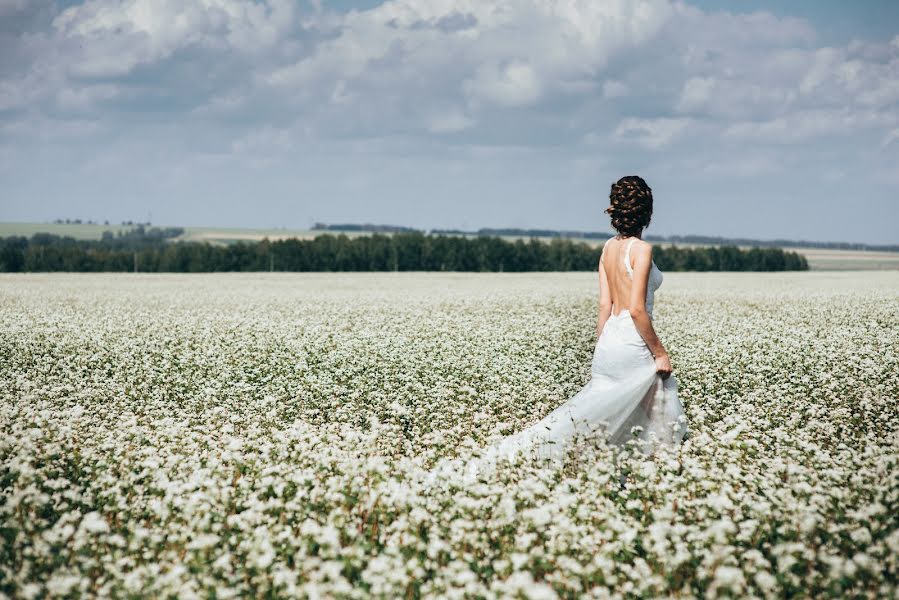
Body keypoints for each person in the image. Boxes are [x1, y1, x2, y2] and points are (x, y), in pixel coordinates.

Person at [472, 175, 690, 472]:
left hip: (609, 341)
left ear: (616, 211)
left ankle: (596, 467)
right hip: (632, 342)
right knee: (662, 413)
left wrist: (601, 346)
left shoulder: (607, 249)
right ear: (646, 213)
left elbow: (605, 305)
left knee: (604, 414)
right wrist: (660, 352)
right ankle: (665, 473)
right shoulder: (641, 249)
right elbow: (637, 310)